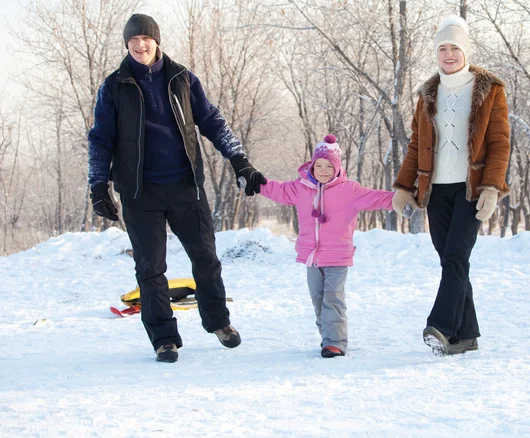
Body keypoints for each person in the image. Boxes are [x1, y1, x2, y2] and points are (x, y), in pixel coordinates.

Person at [88, 14, 266, 363]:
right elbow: (100, 140)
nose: (140, 46)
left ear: (157, 41)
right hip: (140, 193)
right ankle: (164, 338)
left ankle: (218, 322)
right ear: (127, 44)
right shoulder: (114, 86)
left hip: (186, 186)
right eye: (134, 41)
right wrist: (98, 185)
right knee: (151, 269)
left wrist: (239, 160)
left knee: (206, 258)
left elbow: (211, 120)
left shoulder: (181, 78)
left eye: (146, 39)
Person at [392, 15, 510, 356]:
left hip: (471, 188)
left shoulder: (490, 90)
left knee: (456, 256)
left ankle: (441, 326)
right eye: (442, 48)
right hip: (437, 191)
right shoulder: (428, 93)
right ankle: (466, 335)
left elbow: (500, 142)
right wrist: (404, 185)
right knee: (451, 260)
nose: (448, 54)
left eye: (454, 48)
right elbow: (417, 144)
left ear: (466, 50)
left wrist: (491, 187)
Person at [259, 135, 394, 357]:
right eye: (318, 165)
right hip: (312, 256)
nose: (323, 170)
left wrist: (400, 199)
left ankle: (336, 342)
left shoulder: (350, 190)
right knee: (318, 299)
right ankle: (327, 338)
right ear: (312, 166)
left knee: (333, 296)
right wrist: (256, 181)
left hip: (338, 256)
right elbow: (277, 190)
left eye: (328, 166)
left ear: (337, 167)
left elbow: (376, 198)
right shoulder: (300, 187)